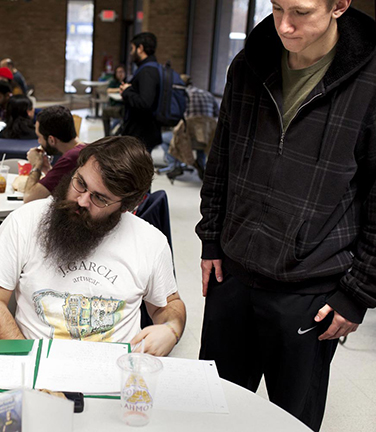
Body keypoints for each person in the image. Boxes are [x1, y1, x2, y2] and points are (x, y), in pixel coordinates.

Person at [196, 2, 376, 431]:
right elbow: (221, 159)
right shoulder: (250, 62)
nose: (285, 25)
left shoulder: (370, 82)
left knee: (290, 422)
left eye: (301, 11)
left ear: (339, 5)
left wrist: (359, 292)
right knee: (208, 414)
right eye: (276, 8)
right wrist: (212, 239)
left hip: (310, 290)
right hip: (233, 275)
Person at [0, 136, 186, 355]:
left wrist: (171, 329)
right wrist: (26, 358)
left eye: (100, 198)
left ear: (127, 206)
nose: (82, 201)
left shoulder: (150, 241)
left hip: (116, 374)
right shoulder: (24, 221)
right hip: (33, 364)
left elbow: (168, 305)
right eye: (81, 183)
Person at [164, 74, 220, 181]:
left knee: (164, 138)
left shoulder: (182, 95)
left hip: (187, 140)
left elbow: (174, 116)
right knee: (201, 136)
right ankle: (200, 163)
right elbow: (217, 115)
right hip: (207, 139)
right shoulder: (208, 94)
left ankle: (175, 166)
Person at [24, 105, 84, 203]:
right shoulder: (81, 150)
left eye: (39, 137)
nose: (39, 141)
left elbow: (29, 198)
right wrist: (47, 170)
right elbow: (61, 185)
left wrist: (36, 166)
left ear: (51, 140)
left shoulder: (71, 159)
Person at [120, 32, 161, 152]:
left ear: (140, 48)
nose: (131, 52)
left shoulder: (147, 71)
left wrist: (127, 91)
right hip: (143, 132)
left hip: (141, 133)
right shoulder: (150, 67)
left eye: (132, 48)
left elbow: (145, 102)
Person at [102, 64, 126, 136]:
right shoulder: (113, 82)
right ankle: (108, 136)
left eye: (122, 72)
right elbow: (109, 90)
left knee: (123, 117)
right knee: (106, 112)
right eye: (118, 72)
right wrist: (120, 89)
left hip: (124, 106)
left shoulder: (128, 81)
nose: (120, 74)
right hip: (115, 105)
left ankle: (114, 134)